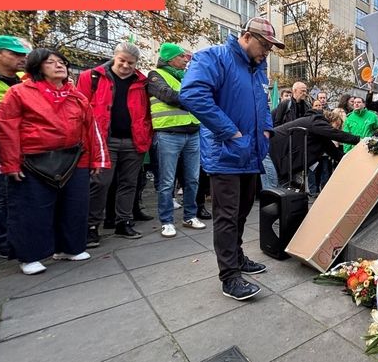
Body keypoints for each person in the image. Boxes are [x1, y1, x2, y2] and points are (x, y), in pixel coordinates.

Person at [180, 17, 278, 301]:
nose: (267, 52)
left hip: (251, 152)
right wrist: (231, 132)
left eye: (271, 48)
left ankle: (237, 256)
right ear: (246, 37)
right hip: (226, 153)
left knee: (242, 212)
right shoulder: (213, 57)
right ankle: (230, 276)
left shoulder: (258, 69)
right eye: (264, 45)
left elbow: (264, 104)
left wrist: (267, 131)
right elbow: (192, 94)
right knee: (226, 216)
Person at [0, 49, 109, 274]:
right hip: (32, 161)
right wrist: (10, 164)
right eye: (51, 62)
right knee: (32, 209)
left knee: (74, 206)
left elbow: (91, 129)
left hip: (74, 158)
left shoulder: (77, 96)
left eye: (61, 62)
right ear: (38, 67)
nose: (59, 65)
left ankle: (69, 248)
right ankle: (30, 256)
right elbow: (7, 129)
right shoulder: (19, 93)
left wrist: (97, 160)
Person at [79, 42, 153, 247]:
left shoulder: (142, 82)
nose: (126, 66)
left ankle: (124, 222)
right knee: (100, 183)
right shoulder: (91, 77)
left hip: (134, 140)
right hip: (103, 141)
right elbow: (80, 109)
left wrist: (147, 136)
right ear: (114, 57)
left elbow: (146, 111)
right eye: (122, 61)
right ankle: (91, 226)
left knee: (129, 184)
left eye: (131, 62)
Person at [147, 43, 206, 238]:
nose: (186, 60)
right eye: (182, 57)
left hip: (192, 132)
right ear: (170, 58)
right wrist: (193, 97)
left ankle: (190, 216)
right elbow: (168, 96)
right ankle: (166, 221)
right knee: (167, 181)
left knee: (192, 179)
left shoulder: (185, 77)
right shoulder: (155, 75)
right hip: (168, 134)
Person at [0, 35, 30, 259]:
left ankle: (18, 236)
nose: (21, 58)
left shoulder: (22, 81)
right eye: (14, 54)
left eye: (22, 54)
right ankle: (3, 242)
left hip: (22, 147)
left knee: (17, 194)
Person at [270, 109, 360, 188]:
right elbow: (335, 134)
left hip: (280, 157)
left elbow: (335, 153)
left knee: (283, 190)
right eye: (337, 125)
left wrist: (355, 161)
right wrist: (359, 140)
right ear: (332, 120)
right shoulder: (316, 121)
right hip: (272, 151)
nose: (337, 128)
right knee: (274, 188)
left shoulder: (320, 133)